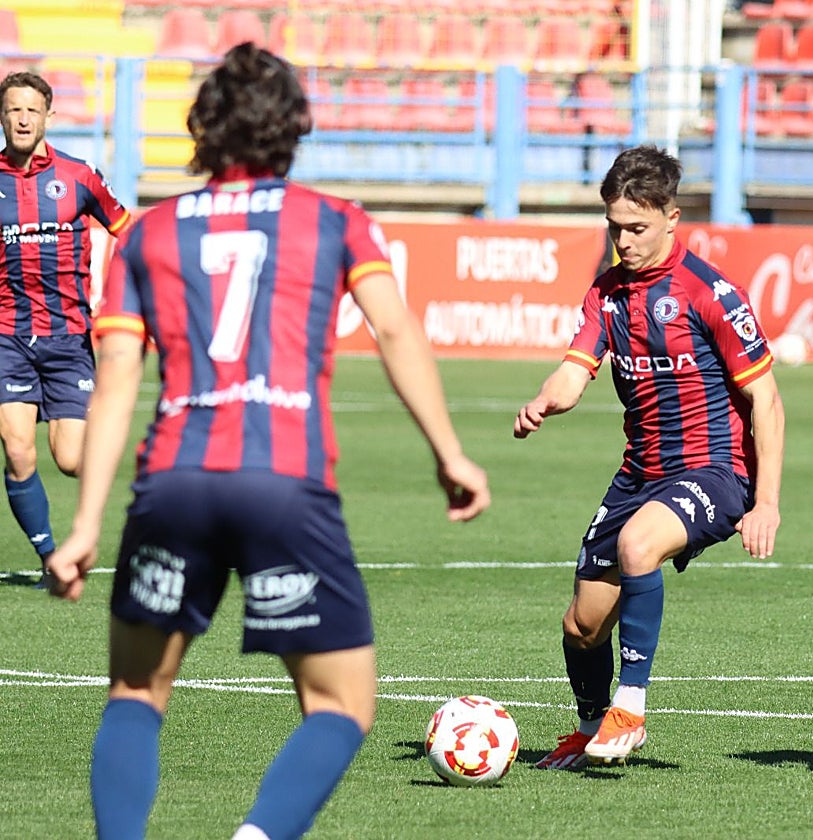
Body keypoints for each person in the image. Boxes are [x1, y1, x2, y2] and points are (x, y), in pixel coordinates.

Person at [46, 43, 490, 840]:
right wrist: (449, 452)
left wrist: (84, 526)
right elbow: (394, 328)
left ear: (203, 129)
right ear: (293, 129)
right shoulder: (334, 220)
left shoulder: (147, 234)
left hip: (174, 480)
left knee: (136, 695)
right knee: (340, 705)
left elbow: (114, 377)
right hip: (284, 479)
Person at [514, 144, 785, 769]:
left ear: (671, 217)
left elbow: (765, 402)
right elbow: (574, 370)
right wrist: (543, 403)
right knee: (581, 625)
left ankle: (629, 707)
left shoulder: (712, 294)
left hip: (716, 471)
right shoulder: (607, 294)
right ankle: (588, 729)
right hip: (640, 473)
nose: (623, 240)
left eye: (636, 227)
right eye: (614, 227)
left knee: (640, 546)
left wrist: (766, 501)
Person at [0, 70, 131, 585]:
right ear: (2, 116)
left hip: (69, 337)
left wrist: (122, 296)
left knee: (72, 459)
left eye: (32, 109)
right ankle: (53, 559)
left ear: (49, 116)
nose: (23, 118)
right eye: (14, 109)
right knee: (15, 445)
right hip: (8, 335)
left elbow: (126, 230)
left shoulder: (79, 176)